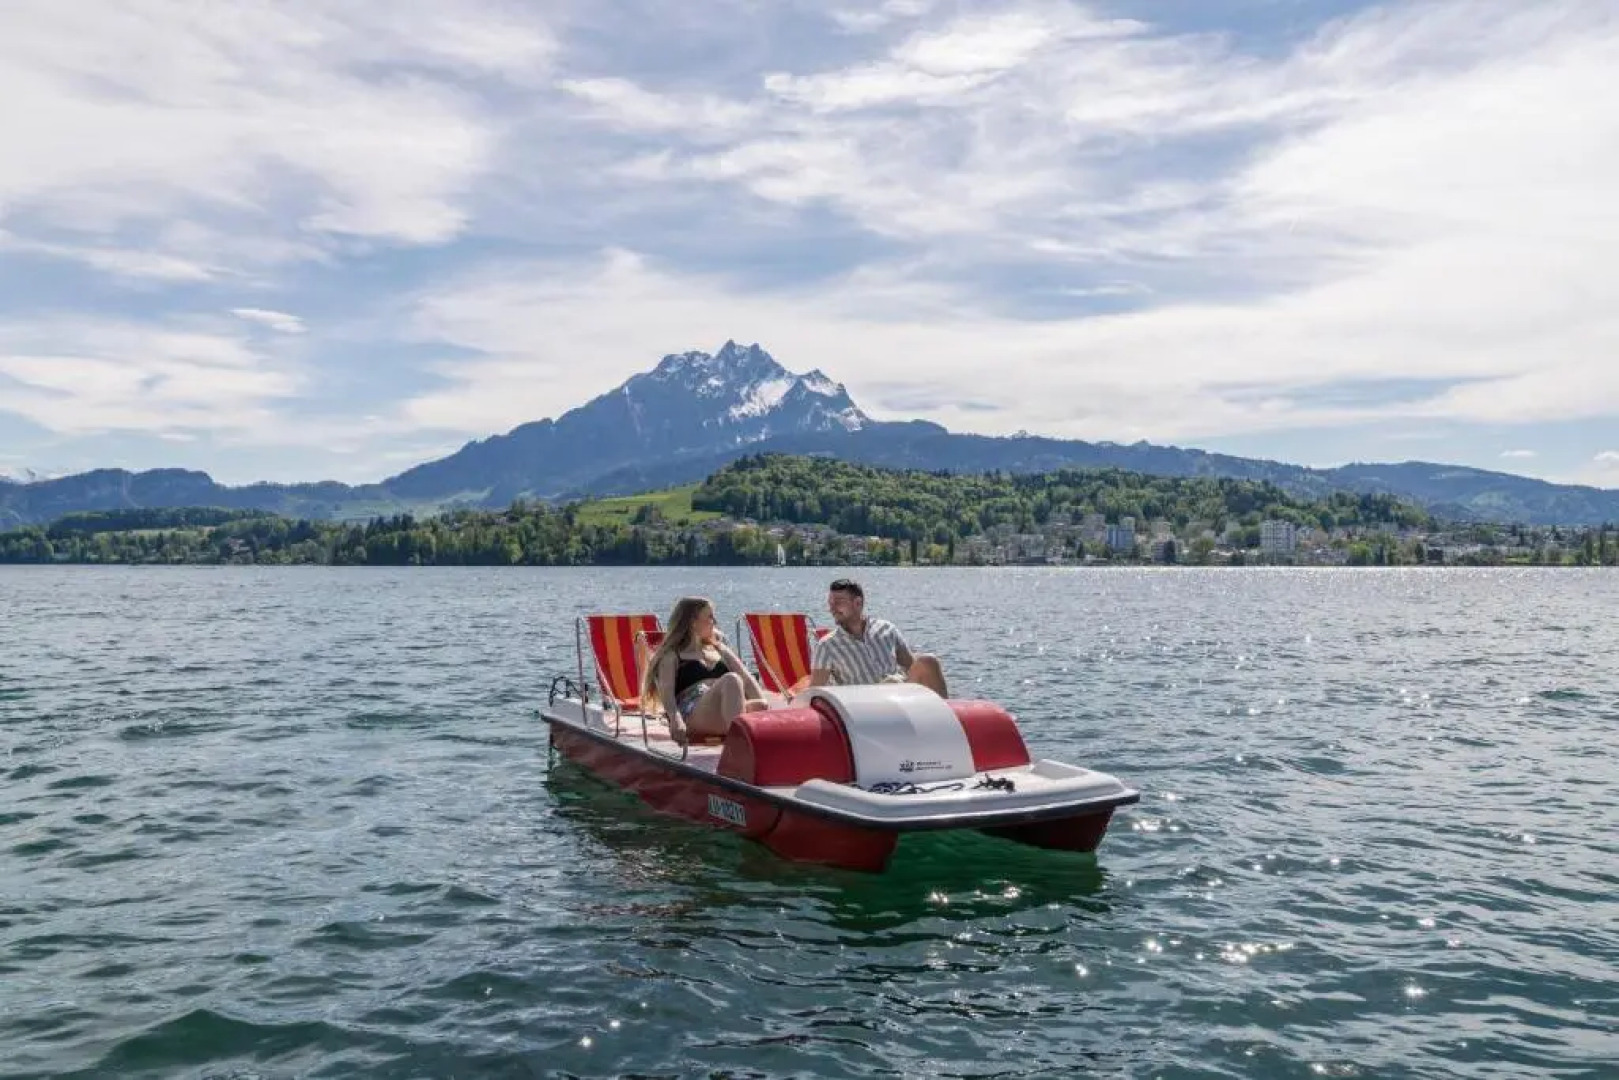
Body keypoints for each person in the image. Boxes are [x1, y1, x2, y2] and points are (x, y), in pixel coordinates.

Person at [641, 596, 768, 745]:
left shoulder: (719, 649)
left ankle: (742, 737)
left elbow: (748, 682)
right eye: (710, 617)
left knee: (761, 705)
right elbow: (667, 695)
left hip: (724, 710)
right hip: (691, 711)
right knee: (732, 680)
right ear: (693, 622)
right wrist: (675, 720)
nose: (715, 622)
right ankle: (739, 746)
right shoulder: (672, 655)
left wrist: (765, 708)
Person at [806, 578, 948, 697]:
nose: (832, 608)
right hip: (867, 706)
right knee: (890, 683)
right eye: (830, 603)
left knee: (928, 661)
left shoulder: (887, 629)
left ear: (858, 603)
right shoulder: (827, 646)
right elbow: (815, 691)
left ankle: (949, 715)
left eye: (838, 602)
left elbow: (910, 666)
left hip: (899, 696)